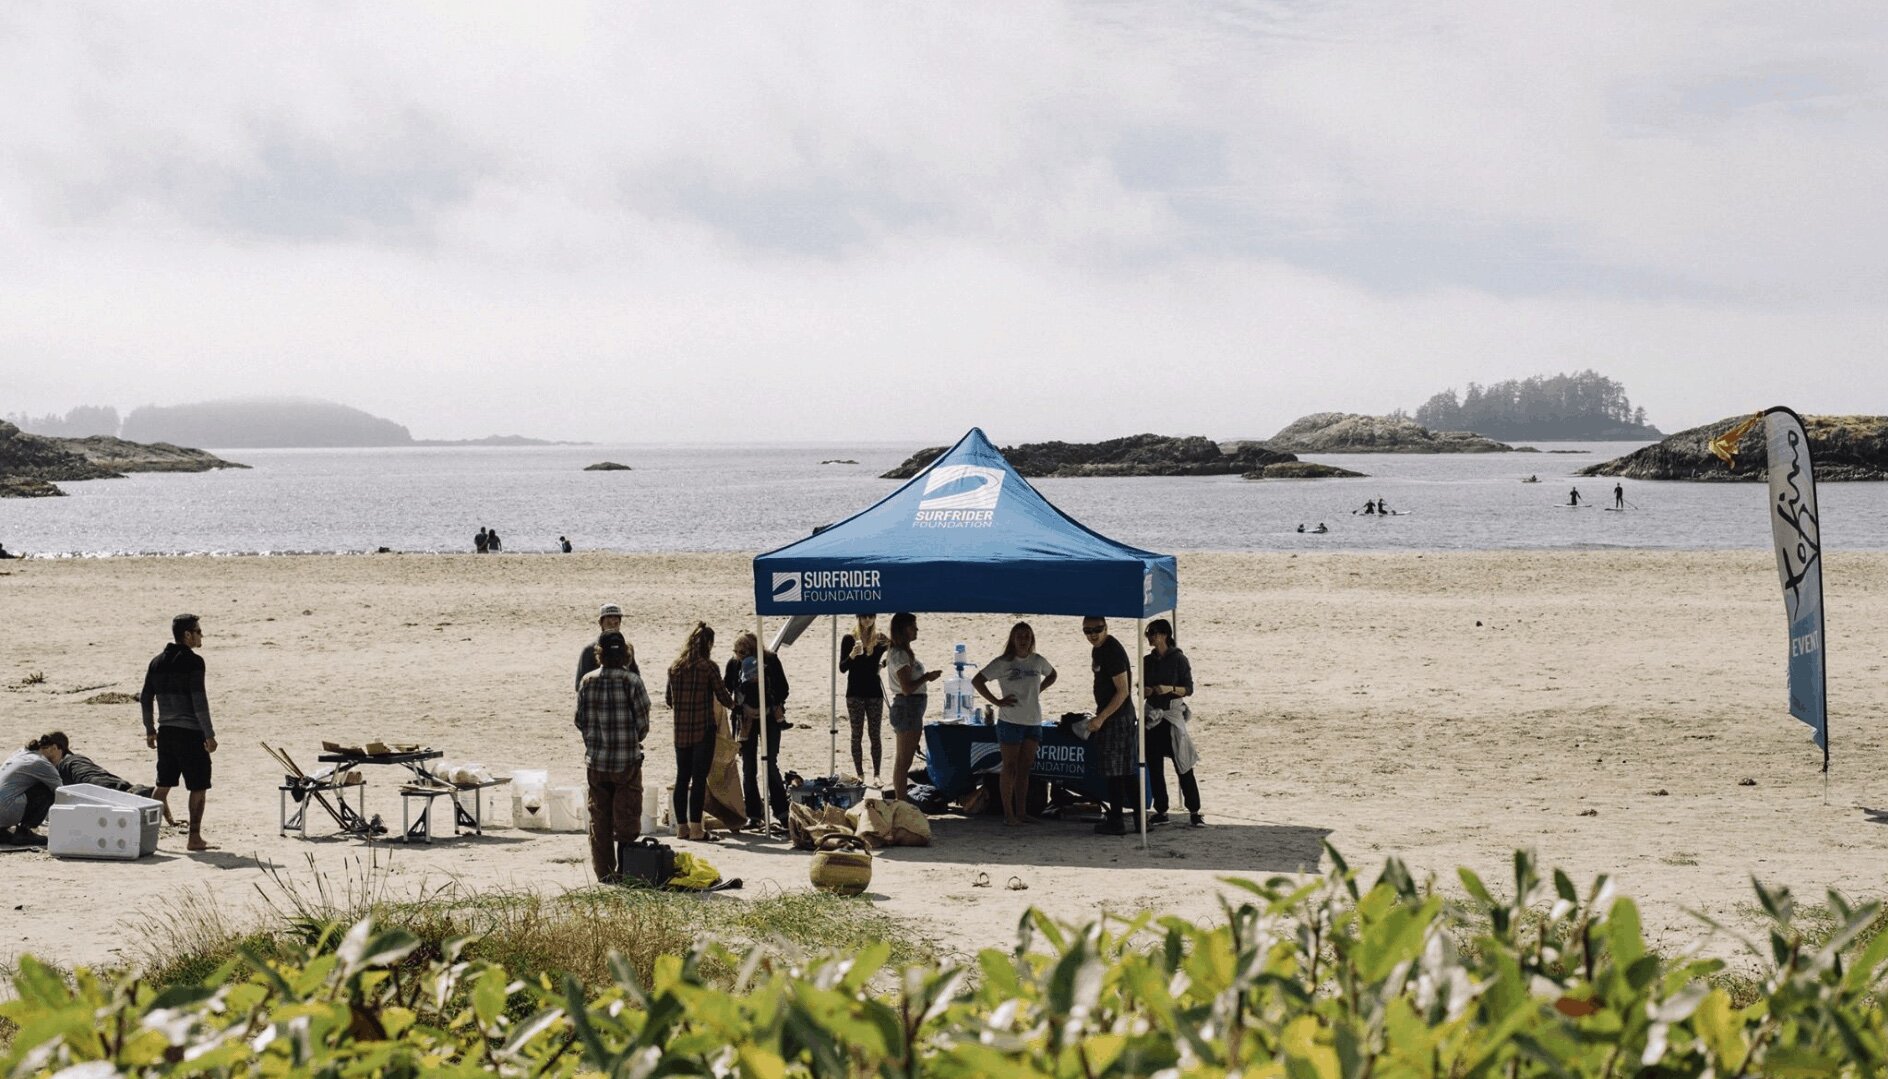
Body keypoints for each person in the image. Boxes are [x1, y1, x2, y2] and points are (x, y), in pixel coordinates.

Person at [575, 631, 651, 883]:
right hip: (627, 761)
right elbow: (643, 724)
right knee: (627, 820)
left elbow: (580, 720)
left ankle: (605, 873)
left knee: (600, 821)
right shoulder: (632, 682)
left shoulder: (587, 681)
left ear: (600, 655)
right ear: (624, 655)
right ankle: (626, 871)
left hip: (596, 761)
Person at [141, 613, 218, 851]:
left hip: (166, 732)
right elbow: (199, 700)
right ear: (187, 634)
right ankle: (194, 837)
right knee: (198, 786)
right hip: (190, 733)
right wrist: (209, 734)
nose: (201, 635)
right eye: (198, 631)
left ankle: (144, 833)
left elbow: (145, 697)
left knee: (163, 785)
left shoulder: (156, 662)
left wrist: (150, 729)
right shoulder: (194, 662)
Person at [974, 621, 1057, 827]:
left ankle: (1022, 812)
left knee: (1024, 768)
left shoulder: (1037, 661)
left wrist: (1039, 690)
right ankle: (1008, 814)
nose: (1023, 640)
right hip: (1010, 722)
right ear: (1012, 639)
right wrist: (996, 702)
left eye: (1027, 636)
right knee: (1009, 767)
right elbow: (977, 680)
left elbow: (1053, 674)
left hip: (1033, 721)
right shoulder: (1003, 663)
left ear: (1032, 639)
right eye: (1019, 636)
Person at [665, 622, 738, 841]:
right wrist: (736, 705)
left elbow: (669, 700)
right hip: (703, 730)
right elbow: (723, 696)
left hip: (680, 730)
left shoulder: (675, 667)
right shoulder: (708, 666)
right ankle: (697, 829)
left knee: (681, 777)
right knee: (698, 779)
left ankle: (682, 828)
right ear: (708, 643)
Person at [1142, 620, 1203, 826]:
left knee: (1183, 763)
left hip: (1171, 716)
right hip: (1153, 717)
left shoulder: (1178, 659)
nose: (1150, 637)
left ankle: (1194, 810)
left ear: (1165, 635)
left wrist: (1169, 689)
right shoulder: (1147, 661)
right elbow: (1142, 688)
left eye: (1153, 633)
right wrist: (1147, 691)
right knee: (1154, 765)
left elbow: (1189, 689)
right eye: (1148, 633)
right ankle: (1161, 810)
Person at [726, 632, 790, 829]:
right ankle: (754, 813)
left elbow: (783, 689)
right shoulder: (734, 663)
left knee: (769, 764)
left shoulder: (770, 660)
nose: (739, 655)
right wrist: (741, 708)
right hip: (745, 718)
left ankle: (781, 812)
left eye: (742, 652)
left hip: (769, 717)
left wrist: (768, 708)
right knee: (749, 767)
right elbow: (726, 687)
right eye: (737, 652)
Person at [1083, 616, 1137, 835]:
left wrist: (1102, 718)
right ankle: (1138, 819)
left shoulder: (1111, 650)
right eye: (1088, 631)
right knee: (1123, 770)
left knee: (1116, 771)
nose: (1093, 634)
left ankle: (1117, 820)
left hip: (1117, 717)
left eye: (1097, 629)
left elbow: (1123, 690)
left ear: (1106, 627)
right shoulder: (1099, 650)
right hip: (1111, 715)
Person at [39, 731, 170, 820]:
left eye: (43, 748)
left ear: (55, 748)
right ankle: (137, 793)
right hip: (115, 783)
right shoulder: (76, 758)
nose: (40, 753)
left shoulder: (65, 765)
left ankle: (135, 794)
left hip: (100, 787)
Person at [884, 611, 942, 803]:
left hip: (910, 709)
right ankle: (901, 802)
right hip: (907, 707)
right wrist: (927, 677)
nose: (916, 630)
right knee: (903, 762)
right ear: (903, 629)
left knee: (903, 759)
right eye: (912, 627)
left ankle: (901, 801)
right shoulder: (900, 654)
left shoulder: (902, 652)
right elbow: (907, 688)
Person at [839, 614, 890, 784]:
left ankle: (877, 774)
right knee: (857, 734)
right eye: (864, 616)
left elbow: (897, 649)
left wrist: (883, 665)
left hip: (874, 692)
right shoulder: (849, 639)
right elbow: (842, 668)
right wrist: (853, 654)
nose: (868, 619)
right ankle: (860, 774)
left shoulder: (880, 639)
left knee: (875, 734)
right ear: (858, 617)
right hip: (854, 693)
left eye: (871, 616)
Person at [0, 735, 63, 846]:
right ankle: (24, 832)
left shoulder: (19, 753)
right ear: (54, 748)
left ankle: (2, 831)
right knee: (47, 789)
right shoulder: (42, 763)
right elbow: (62, 792)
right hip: (6, 810)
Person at [576, 603, 639, 690]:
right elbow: (580, 685)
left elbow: (636, 678)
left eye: (616, 619)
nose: (613, 622)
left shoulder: (627, 648)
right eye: (609, 619)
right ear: (600, 623)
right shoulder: (589, 650)